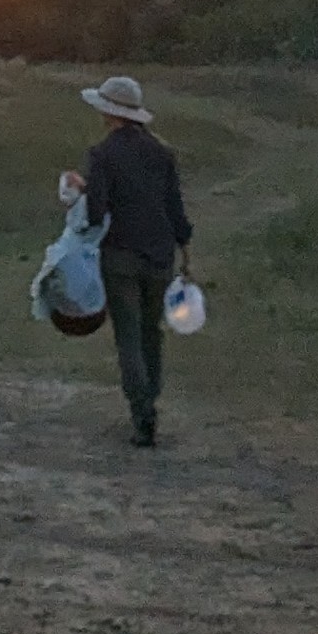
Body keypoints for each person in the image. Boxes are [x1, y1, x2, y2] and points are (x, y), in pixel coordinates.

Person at [76, 73, 190, 446]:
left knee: (128, 336)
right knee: (151, 332)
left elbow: (95, 214)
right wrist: (185, 250)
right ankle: (150, 399)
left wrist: (81, 190)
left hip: (120, 255)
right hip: (159, 254)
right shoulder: (162, 153)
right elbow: (174, 207)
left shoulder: (102, 154)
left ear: (108, 113)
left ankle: (142, 412)